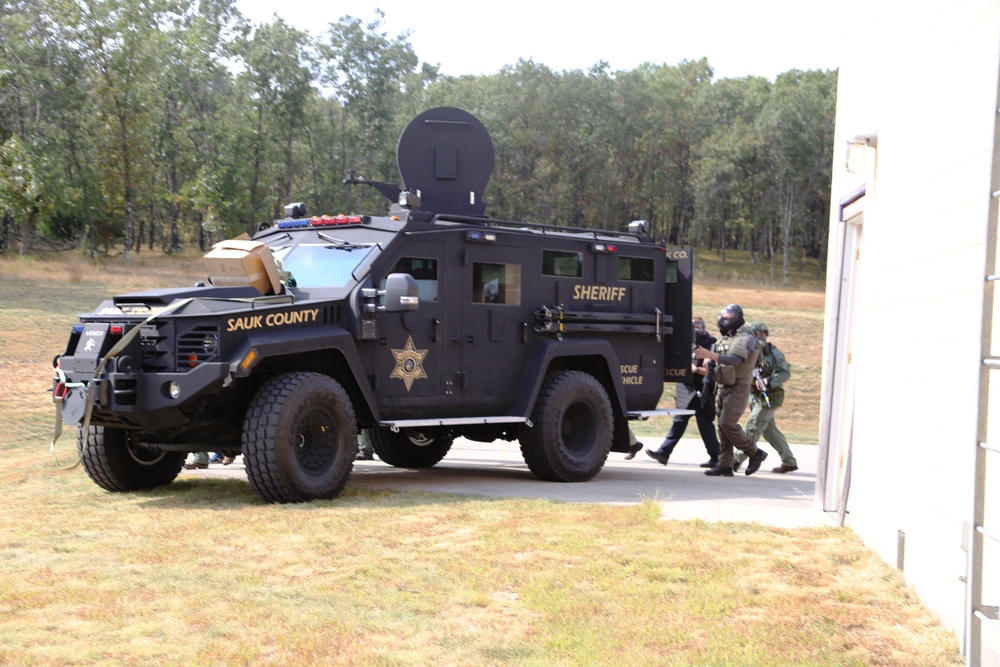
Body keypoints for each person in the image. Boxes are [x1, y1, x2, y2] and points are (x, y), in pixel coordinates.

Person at [692, 304, 768, 477]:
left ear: (738, 317)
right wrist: (708, 362)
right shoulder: (725, 338)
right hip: (723, 384)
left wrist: (709, 356)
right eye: (724, 316)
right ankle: (725, 464)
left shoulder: (745, 337)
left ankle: (755, 453)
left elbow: (734, 360)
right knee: (722, 426)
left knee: (727, 423)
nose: (725, 319)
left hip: (739, 385)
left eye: (729, 316)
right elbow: (718, 358)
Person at [643, 316, 721, 467]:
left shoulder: (711, 345)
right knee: (679, 421)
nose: (697, 329)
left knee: (704, 424)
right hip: (686, 389)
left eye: (699, 326)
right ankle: (664, 453)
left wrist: (696, 369)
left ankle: (716, 456)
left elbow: (715, 371)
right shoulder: (685, 343)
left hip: (702, 388)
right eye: (694, 327)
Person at [733, 322, 798, 473]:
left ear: (765, 335)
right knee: (770, 432)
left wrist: (770, 381)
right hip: (754, 397)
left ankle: (735, 460)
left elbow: (785, 373)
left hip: (769, 397)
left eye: (756, 334)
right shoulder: (748, 352)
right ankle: (789, 461)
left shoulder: (774, 354)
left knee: (752, 426)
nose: (753, 338)